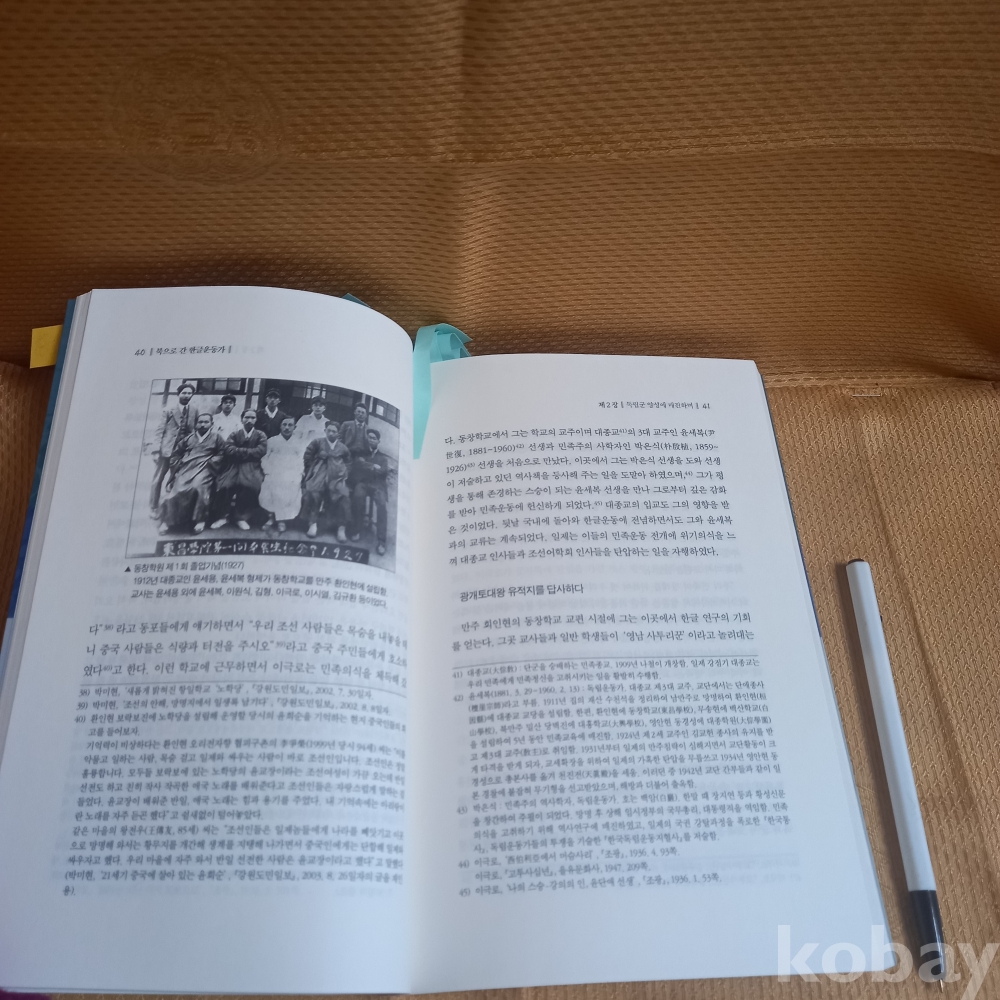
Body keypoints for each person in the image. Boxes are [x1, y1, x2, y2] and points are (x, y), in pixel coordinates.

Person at [158, 412, 224, 534]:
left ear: (212, 424)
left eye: (206, 422)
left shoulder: (217, 438)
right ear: (196, 424)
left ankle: (200, 520)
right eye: (200, 422)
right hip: (187, 468)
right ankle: (167, 521)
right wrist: (178, 465)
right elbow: (176, 454)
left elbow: (222, 454)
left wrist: (211, 462)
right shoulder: (188, 438)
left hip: (205, 468)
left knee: (198, 487)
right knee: (176, 491)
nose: (203, 425)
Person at [148, 382, 201, 516]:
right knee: (158, 479)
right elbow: (159, 430)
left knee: (177, 480)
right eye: (184, 393)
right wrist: (155, 450)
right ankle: (153, 507)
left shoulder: (194, 410)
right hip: (166, 450)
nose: (186, 395)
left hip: (182, 452)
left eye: (189, 393)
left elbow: (195, 431)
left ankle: (171, 508)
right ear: (179, 394)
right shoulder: (168, 410)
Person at [210, 409, 267, 530]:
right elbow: (229, 449)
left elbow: (261, 451)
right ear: (242, 419)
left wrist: (239, 451)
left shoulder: (260, 435)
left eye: (252, 418)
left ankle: (241, 517)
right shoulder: (234, 434)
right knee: (224, 485)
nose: (249, 420)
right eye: (246, 417)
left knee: (251, 486)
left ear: (256, 420)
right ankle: (223, 516)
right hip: (234, 465)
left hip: (251, 466)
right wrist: (248, 452)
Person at [301, 420, 351, 541]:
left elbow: (349, 462)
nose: (331, 433)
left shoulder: (343, 448)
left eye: (334, 431)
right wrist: (313, 468)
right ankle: (312, 524)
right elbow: (307, 456)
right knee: (313, 492)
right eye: (329, 430)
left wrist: (344, 473)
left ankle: (341, 528)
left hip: (336, 476)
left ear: (338, 434)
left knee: (343, 496)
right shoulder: (317, 442)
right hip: (319, 474)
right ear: (325, 431)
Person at [348, 427, 391, 556]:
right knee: (357, 497)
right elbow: (358, 464)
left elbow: (384, 471)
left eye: (374, 438)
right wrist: (373, 466)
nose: (371, 440)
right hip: (363, 483)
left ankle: (381, 541)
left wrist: (367, 466)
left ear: (378, 441)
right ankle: (357, 530)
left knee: (382, 505)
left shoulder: (383, 458)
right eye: (369, 438)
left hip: (377, 486)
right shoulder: (362, 453)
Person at [259, 415, 304, 531]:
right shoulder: (272, 441)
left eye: (290, 425)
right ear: (280, 426)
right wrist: (267, 471)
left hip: (291, 473)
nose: (287, 427)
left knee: (288, 489)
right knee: (269, 489)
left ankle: (281, 520)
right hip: (274, 471)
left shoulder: (299, 442)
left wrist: (298, 474)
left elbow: (301, 460)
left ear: (295, 427)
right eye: (284, 425)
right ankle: (271, 517)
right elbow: (265, 458)